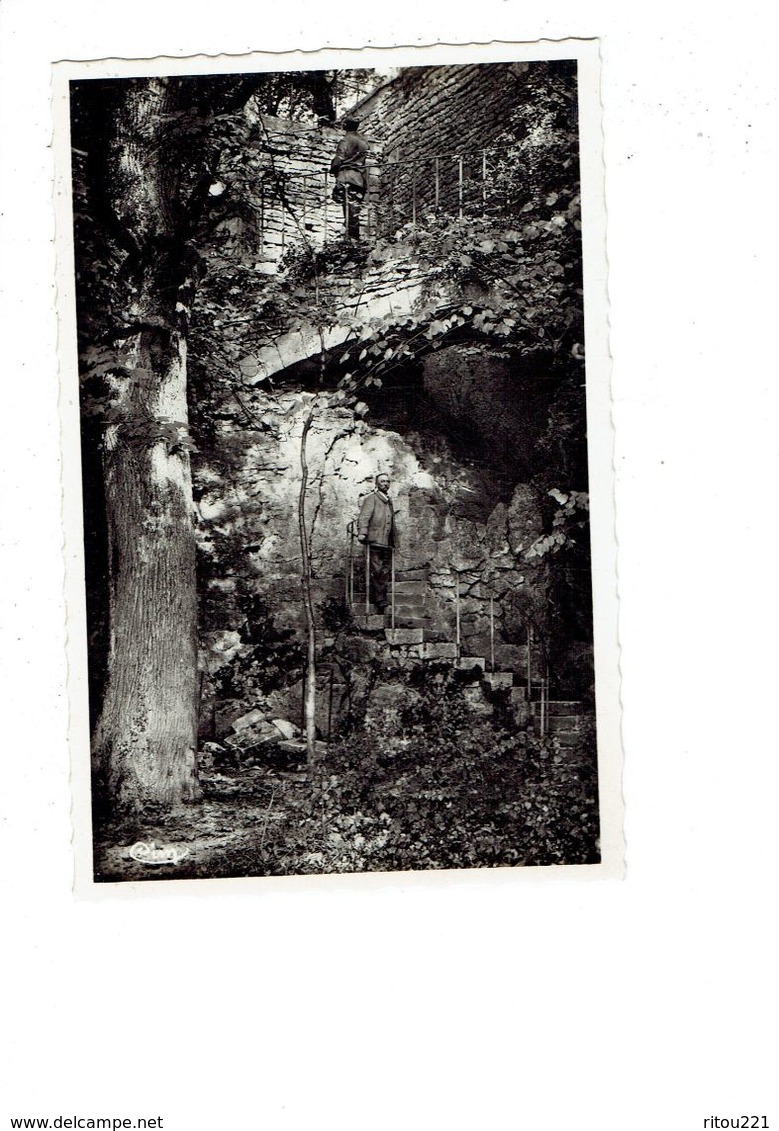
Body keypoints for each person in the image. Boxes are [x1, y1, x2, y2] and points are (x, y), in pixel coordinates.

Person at [357, 473, 398, 612]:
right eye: (382, 481)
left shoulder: (388, 500)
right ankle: (379, 599)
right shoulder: (371, 499)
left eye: (387, 481)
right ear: (377, 484)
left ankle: (381, 597)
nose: (385, 484)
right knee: (377, 570)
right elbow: (364, 517)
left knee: (385, 571)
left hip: (387, 542)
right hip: (374, 540)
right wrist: (362, 532)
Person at [330, 116, 369, 240]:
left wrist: (333, 169)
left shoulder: (345, 140)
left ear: (345, 126)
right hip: (360, 179)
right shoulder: (363, 143)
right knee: (354, 209)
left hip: (347, 177)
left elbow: (339, 159)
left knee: (348, 209)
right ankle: (351, 236)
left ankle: (352, 237)